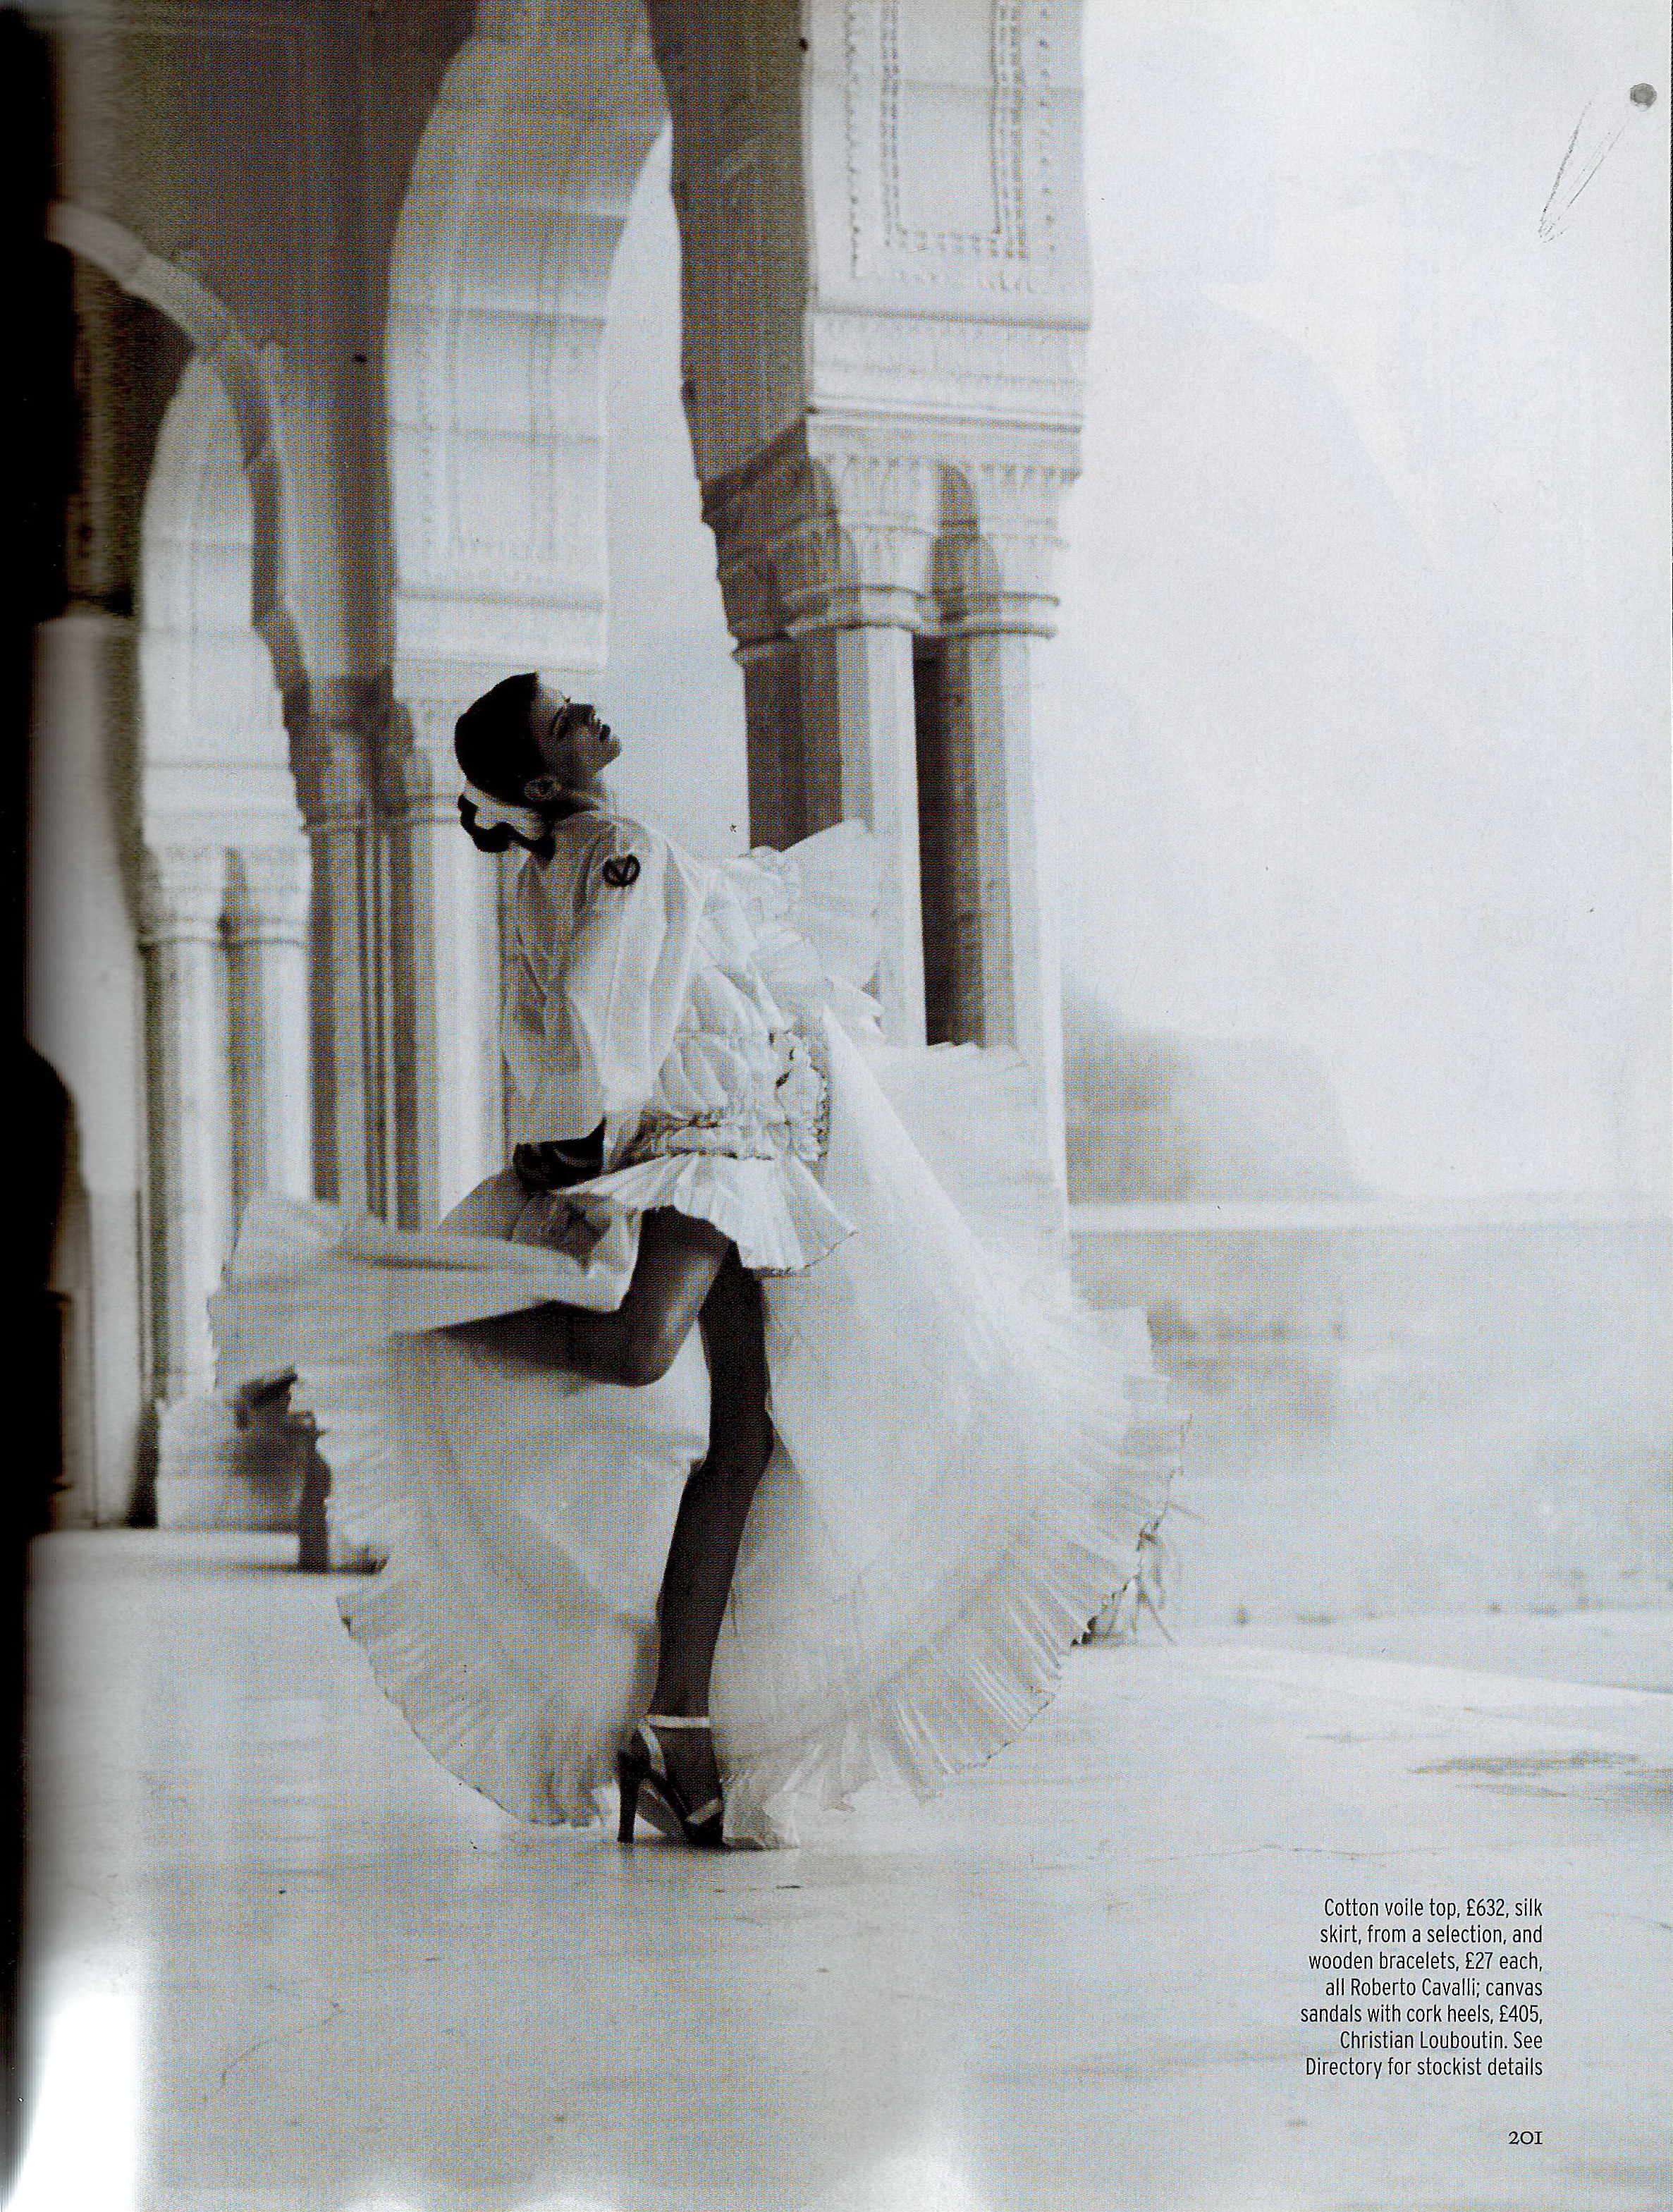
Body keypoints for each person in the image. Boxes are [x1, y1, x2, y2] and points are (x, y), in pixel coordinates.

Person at [213, 673, 1179, 1850]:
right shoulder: (615, 846)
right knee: (638, 1349)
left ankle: (677, 1720)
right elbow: (597, 998)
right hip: (702, 1138)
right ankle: (396, 1303)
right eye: (563, 720)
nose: (590, 716)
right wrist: (582, 1135)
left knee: (745, 1435)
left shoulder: (567, 855)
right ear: (544, 776)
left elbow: (593, 997)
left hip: (732, 1132)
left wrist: (598, 1116)